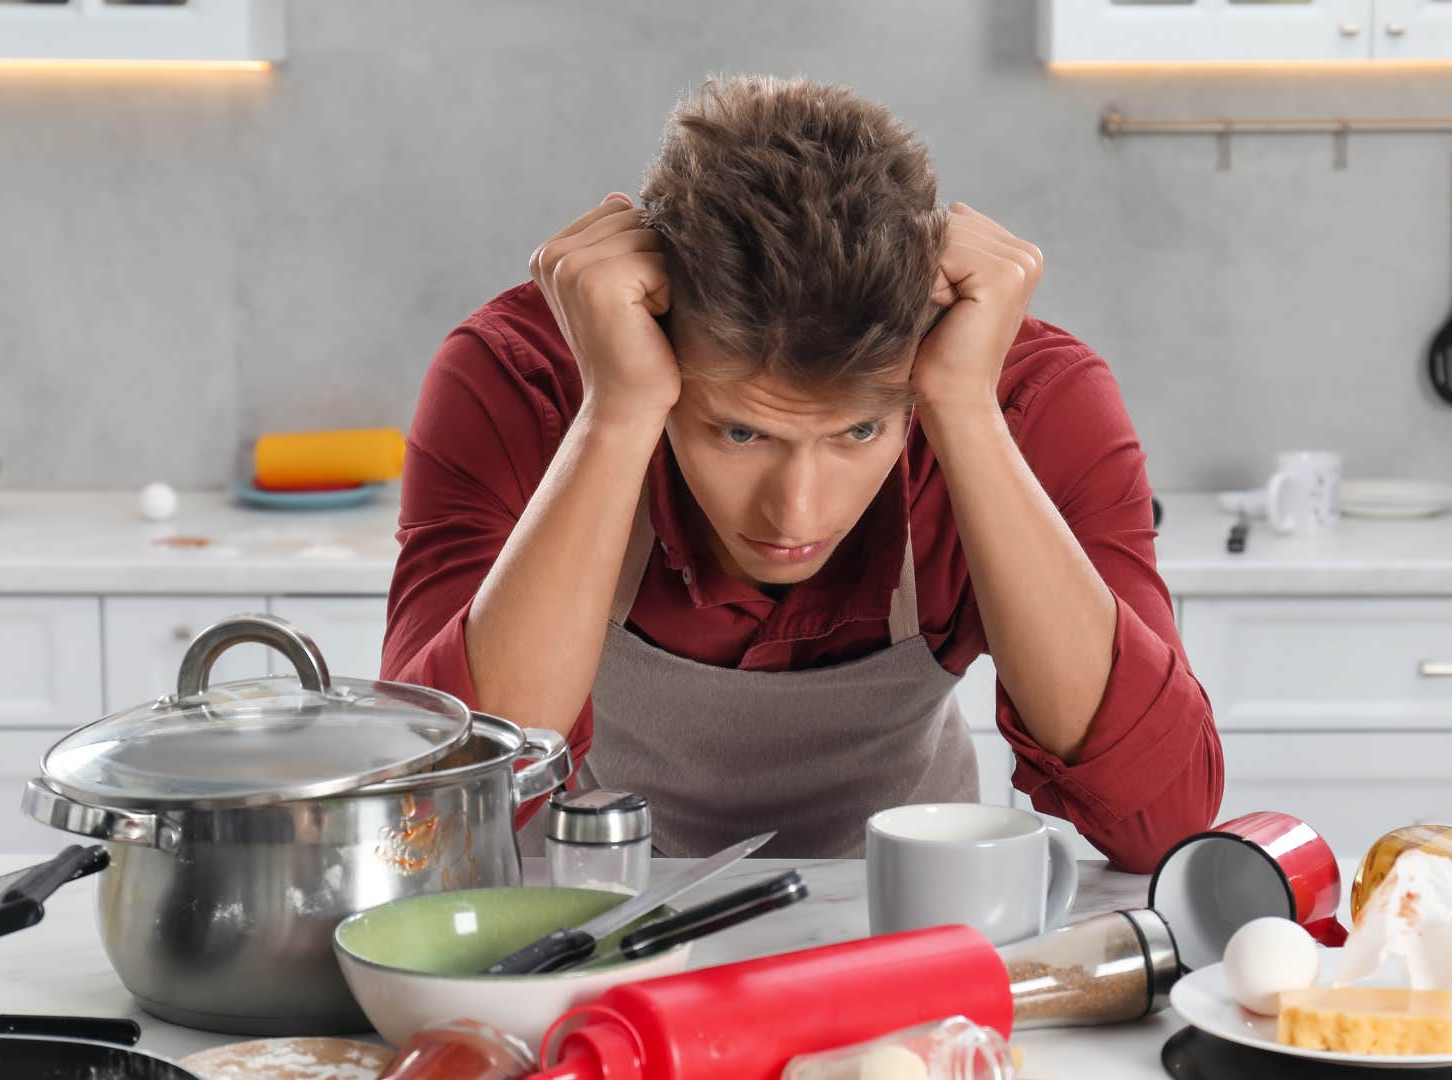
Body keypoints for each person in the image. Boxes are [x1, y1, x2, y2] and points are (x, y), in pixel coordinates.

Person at [383, 75, 1221, 871]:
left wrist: (964, 408)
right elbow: (425, 819)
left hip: (898, 927)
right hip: (585, 919)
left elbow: (1164, 819)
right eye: (739, 431)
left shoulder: (1025, 395)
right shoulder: (523, 376)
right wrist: (616, 413)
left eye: (859, 430)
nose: (795, 514)